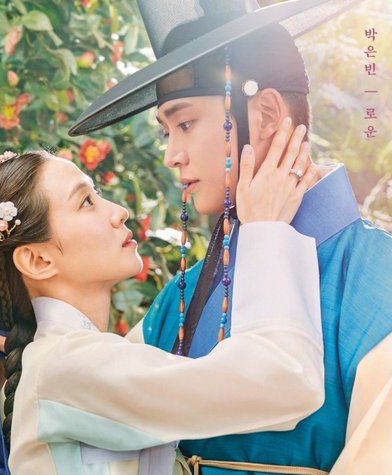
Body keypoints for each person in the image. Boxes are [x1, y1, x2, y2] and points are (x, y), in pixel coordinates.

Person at [68, 0, 392, 474]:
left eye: (185, 124)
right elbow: (98, 407)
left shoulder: (379, 278)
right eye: (165, 133)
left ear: (266, 114)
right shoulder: (180, 296)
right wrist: (35, 338)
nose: (171, 155)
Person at [0, 142, 322, 475]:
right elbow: (284, 380)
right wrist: (267, 230)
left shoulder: (60, 364)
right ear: (38, 260)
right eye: (86, 202)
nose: (118, 211)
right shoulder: (67, 367)